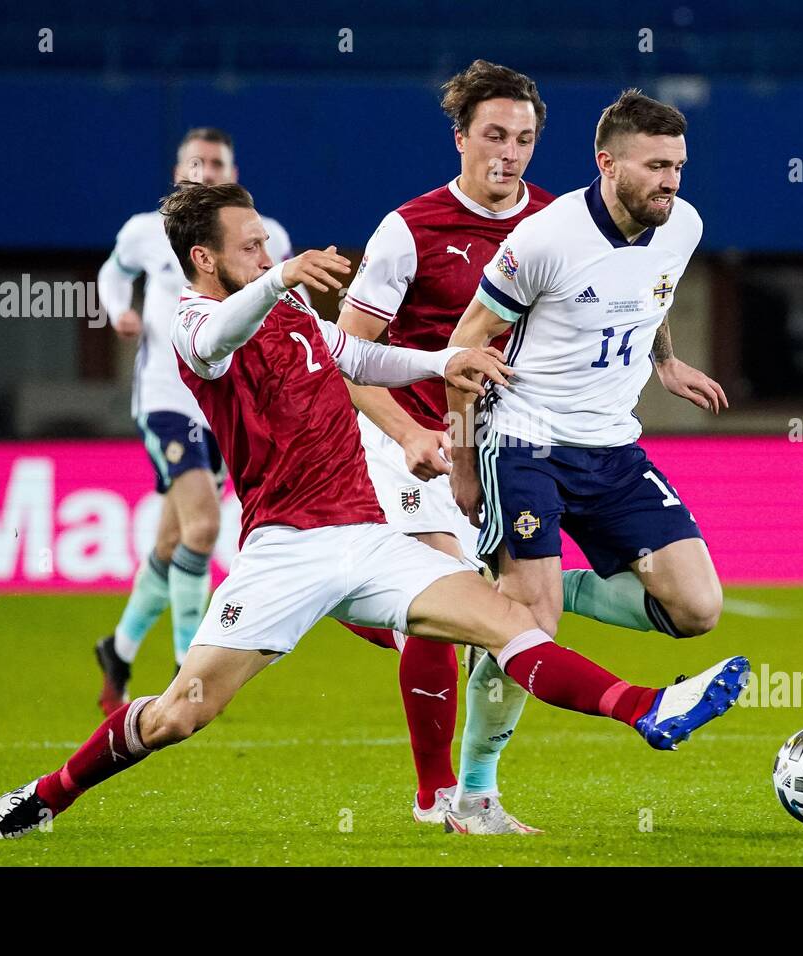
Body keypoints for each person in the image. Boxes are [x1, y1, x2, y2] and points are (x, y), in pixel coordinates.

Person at [0, 181, 749, 840]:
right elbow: (223, 332)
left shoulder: (294, 313)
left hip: (371, 536)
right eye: (250, 249)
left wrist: (446, 359)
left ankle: (647, 709)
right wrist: (280, 279)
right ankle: (45, 797)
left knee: (513, 625)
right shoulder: (194, 322)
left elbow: (360, 358)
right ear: (203, 260)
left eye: (268, 246)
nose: (266, 258)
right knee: (177, 716)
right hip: (284, 553)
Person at [442, 92, 740, 835]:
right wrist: (459, 455)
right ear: (607, 163)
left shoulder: (684, 224)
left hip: (612, 446)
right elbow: (464, 345)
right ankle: (475, 797)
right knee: (526, 627)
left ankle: (548, 590)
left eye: (678, 165)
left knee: (697, 610)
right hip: (525, 442)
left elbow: (652, 289)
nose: (670, 181)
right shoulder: (545, 240)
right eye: (655, 166)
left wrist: (666, 362)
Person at [337, 59, 555, 832]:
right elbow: (347, 358)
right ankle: (441, 797)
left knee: (493, 612)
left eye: (524, 138)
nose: (509, 152)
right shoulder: (410, 230)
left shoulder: (557, 223)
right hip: (415, 437)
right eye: (494, 134)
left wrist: (661, 359)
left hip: (505, 449)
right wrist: (409, 433)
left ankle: (340, 591)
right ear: (460, 137)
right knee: (445, 585)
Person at [93, 128, 295, 712]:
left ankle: (119, 648)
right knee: (204, 530)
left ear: (233, 170)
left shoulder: (265, 236)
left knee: (172, 539)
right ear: (179, 170)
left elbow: (270, 308)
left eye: (217, 163)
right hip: (166, 399)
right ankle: (190, 667)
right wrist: (119, 310)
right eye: (196, 163)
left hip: (223, 404)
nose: (206, 171)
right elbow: (112, 273)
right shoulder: (145, 231)